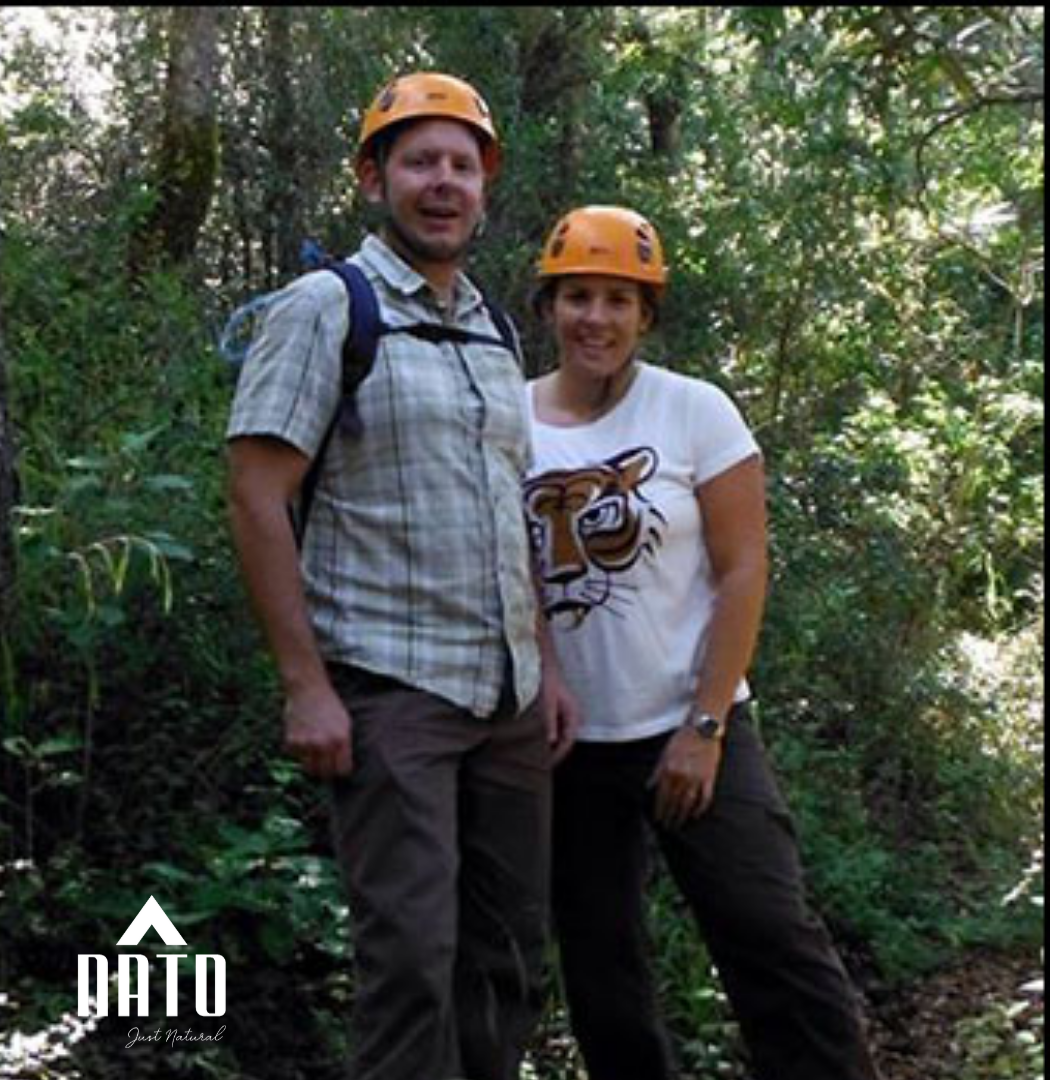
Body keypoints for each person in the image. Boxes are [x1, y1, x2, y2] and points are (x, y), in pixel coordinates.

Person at [226, 72, 577, 1080]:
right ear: (374, 176)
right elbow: (256, 498)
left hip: (506, 700)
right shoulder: (326, 308)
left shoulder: (494, 329)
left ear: (484, 187)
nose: (443, 183)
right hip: (392, 693)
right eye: (420, 161)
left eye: (462, 166)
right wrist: (306, 687)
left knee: (506, 958)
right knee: (411, 965)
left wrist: (546, 667)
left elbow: (511, 514)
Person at [523, 205, 881, 1080]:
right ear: (548, 307)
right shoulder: (509, 418)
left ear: (647, 314)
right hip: (571, 748)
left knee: (769, 936)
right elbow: (512, 577)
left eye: (619, 299)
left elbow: (743, 570)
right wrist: (545, 680)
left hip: (696, 726)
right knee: (604, 972)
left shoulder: (694, 411)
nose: (595, 318)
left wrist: (706, 725)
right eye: (577, 296)